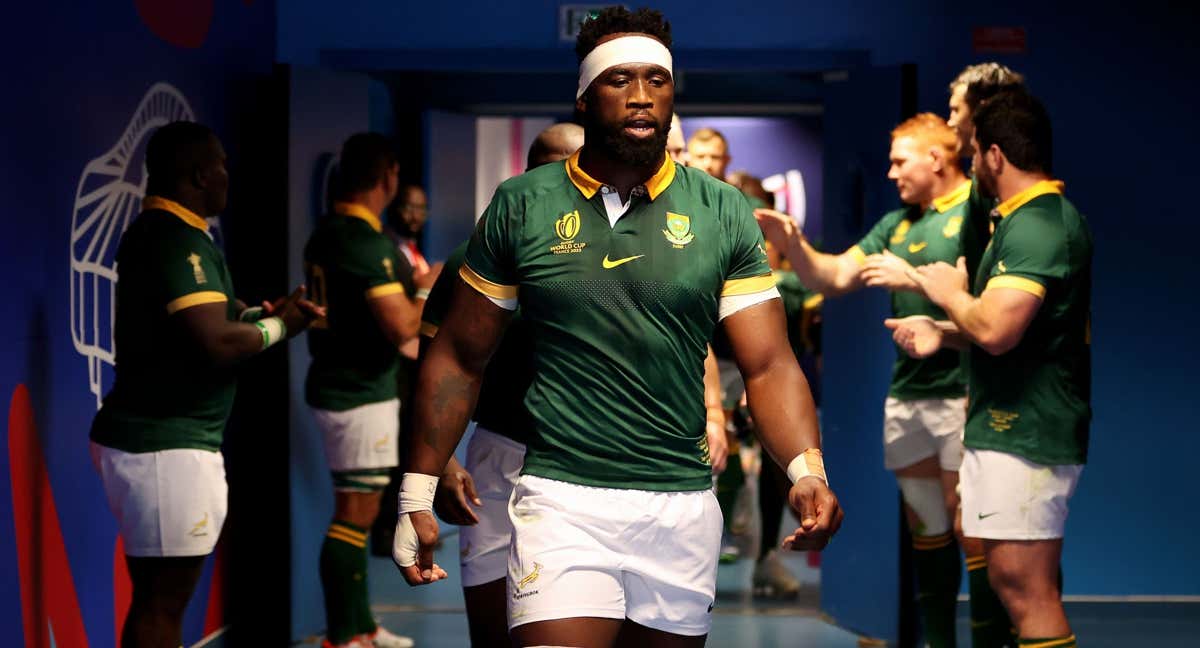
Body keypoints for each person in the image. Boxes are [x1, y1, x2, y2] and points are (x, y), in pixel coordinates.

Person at [394, 7, 841, 647]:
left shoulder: (722, 211)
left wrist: (806, 471)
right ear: (583, 97)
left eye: (656, 80)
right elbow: (459, 358)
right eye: (619, 79)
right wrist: (418, 485)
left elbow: (769, 364)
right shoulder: (524, 204)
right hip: (560, 498)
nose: (640, 96)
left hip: (680, 505)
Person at [89, 121, 322, 648]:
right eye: (222, 166)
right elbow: (214, 341)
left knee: (159, 598)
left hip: (163, 441)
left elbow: (215, 315)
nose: (227, 177)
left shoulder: (178, 233)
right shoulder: (172, 237)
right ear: (200, 173)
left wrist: (263, 313)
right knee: (162, 603)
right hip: (164, 444)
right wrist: (281, 326)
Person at [755, 113, 972, 646]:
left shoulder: (977, 211)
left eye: (901, 161)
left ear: (936, 159)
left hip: (969, 396)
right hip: (910, 398)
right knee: (929, 534)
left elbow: (996, 310)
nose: (892, 172)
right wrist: (796, 244)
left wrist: (911, 278)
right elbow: (829, 277)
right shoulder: (898, 223)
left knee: (978, 535)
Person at [889, 89, 1090, 648]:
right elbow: (1012, 331)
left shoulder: (1039, 224)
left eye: (974, 153)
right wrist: (946, 333)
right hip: (1004, 426)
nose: (971, 165)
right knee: (1011, 581)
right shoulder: (1018, 222)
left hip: (1027, 432)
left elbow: (999, 329)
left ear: (994, 156)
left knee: (1027, 591)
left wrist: (949, 295)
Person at [420, 122, 584, 646]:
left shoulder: (618, 260)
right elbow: (434, 370)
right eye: (554, 168)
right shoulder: (472, 260)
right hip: (499, 457)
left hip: (593, 464)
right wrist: (441, 463)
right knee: (492, 628)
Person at [304, 133, 426, 648]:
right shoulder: (363, 242)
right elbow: (402, 328)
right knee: (353, 518)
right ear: (388, 176)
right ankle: (343, 634)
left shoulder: (329, 233)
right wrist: (428, 287)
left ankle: (361, 626)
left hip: (346, 387)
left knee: (359, 513)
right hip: (358, 394)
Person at [947, 62, 1026, 647]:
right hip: (982, 382)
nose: (950, 120)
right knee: (978, 534)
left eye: (956, 109)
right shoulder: (982, 196)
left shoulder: (1026, 213)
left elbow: (997, 320)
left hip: (1019, 405)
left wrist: (950, 298)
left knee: (1022, 561)